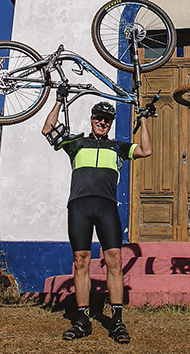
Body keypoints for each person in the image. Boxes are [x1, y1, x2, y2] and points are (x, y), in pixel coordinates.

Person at [42, 94, 152, 344]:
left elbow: (146, 150)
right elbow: (47, 129)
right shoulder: (77, 143)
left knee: (114, 261)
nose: (103, 122)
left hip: (106, 208)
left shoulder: (118, 147)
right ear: (92, 119)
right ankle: (82, 320)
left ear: (111, 123)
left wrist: (143, 120)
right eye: (99, 118)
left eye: (107, 120)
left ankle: (117, 320)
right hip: (79, 207)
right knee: (81, 261)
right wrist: (59, 100)